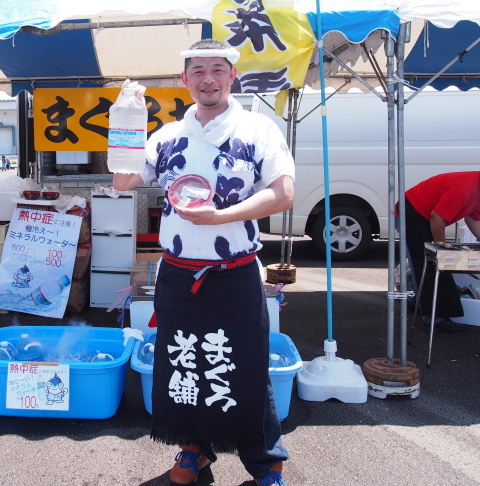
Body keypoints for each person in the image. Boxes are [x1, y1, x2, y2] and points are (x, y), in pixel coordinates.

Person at [113, 39, 294, 486]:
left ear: (233, 76)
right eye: (198, 71)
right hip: (177, 271)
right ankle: (195, 451)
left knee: (246, 364)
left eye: (218, 69)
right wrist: (126, 120)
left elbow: (283, 192)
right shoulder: (168, 136)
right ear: (185, 80)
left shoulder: (258, 129)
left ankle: (265, 464)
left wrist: (220, 217)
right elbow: (121, 181)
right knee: (184, 362)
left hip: (234, 271)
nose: (208, 78)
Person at [399, 161, 480, 332]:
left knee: (430, 263)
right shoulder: (466, 187)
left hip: (427, 215)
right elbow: (437, 218)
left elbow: (473, 220)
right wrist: (443, 251)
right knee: (431, 265)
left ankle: (416, 302)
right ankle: (434, 319)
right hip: (411, 211)